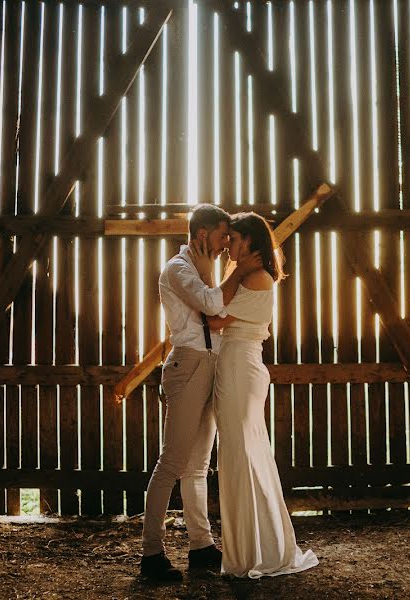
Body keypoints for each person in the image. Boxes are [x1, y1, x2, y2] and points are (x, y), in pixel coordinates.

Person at [140, 204, 261, 582]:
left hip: (211, 363)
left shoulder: (204, 267)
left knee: (196, 467)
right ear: (202, 233)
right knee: (172, 462)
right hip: (188, 364)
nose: (228, 243)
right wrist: (238, 270)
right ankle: (151, 554)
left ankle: (201, 546)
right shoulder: (178, 269)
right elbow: (211, 305)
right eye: (223, 235)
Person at [206, 212, 319, 578]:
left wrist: (235, 274)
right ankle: (256, 546)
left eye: (235, 239)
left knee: (240, 456)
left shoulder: (256, 277)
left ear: (251, 242)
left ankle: (251, 555)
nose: (228, 246)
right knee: (245, 456)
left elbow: (214, 319)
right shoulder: (245, 275)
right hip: (239, 365)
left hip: (240, 367)